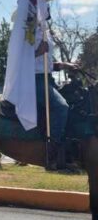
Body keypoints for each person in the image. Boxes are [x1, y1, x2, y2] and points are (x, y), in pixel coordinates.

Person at [35, 27, 77, 170]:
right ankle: (51, 155)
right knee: (61, 107)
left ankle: (69, 149)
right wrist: (37, 52)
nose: (46, 10)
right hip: (34, 80)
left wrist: (65, 65)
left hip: (48, 78)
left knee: (75, 102)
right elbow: (17, 60)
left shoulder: (45, 32)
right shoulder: (26, 31)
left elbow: (46, 64)